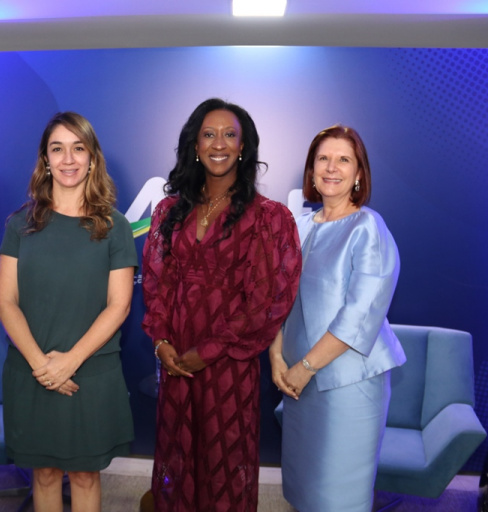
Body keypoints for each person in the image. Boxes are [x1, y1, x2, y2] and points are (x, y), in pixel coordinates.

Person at [141, 98, 302, 511]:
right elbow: (157, 284)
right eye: (209, 134)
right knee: (179, 456)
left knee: (225, 462)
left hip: (230, 363)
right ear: (195, 145)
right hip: (177, 361)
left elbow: (267, 301)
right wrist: (161, 342)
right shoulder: (169, 212)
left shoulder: (269, 218)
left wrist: (208, 351)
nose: (219, 143)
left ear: (243, 147)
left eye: (230, 135)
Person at [0, 112, 136, 512]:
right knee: (42, 474)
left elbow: (119, 305)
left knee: (85, 476)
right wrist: (43, 366)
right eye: (57, 149)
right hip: (32, 371)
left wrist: (69, 362)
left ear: (92, 158)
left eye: (78, 148)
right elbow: (6, 302)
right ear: (45, 159)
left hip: (89, 373)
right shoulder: (20, 225)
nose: (68, 159)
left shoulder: (115, 226)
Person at [270, 124, 407, 512]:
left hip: (349, 385)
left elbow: (359, 314)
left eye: (343, 159)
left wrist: (306, 367)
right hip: (298, 383)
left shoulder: (368, 228)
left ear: (359, 173)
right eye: (323, 159)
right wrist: (277, 358)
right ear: (311, 170)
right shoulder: (297, 226)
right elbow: (275, 301)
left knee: (337, 496)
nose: (332, 168)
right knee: (304, 490)